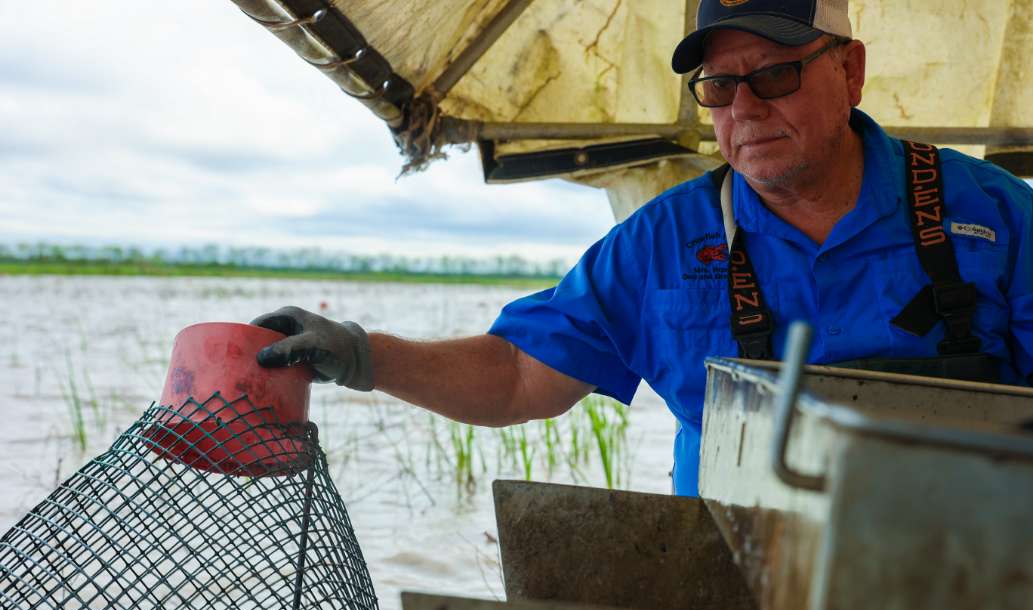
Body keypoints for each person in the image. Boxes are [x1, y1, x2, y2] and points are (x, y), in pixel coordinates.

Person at [252, 0, 1033, 497]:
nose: (746, 108)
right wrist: (360, 356)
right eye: (719, 87)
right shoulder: (661, 241)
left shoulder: (993, 213)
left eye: (776, 74)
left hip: (963, 578)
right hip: (740, 591)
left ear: (850, 70)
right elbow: (518, 374)